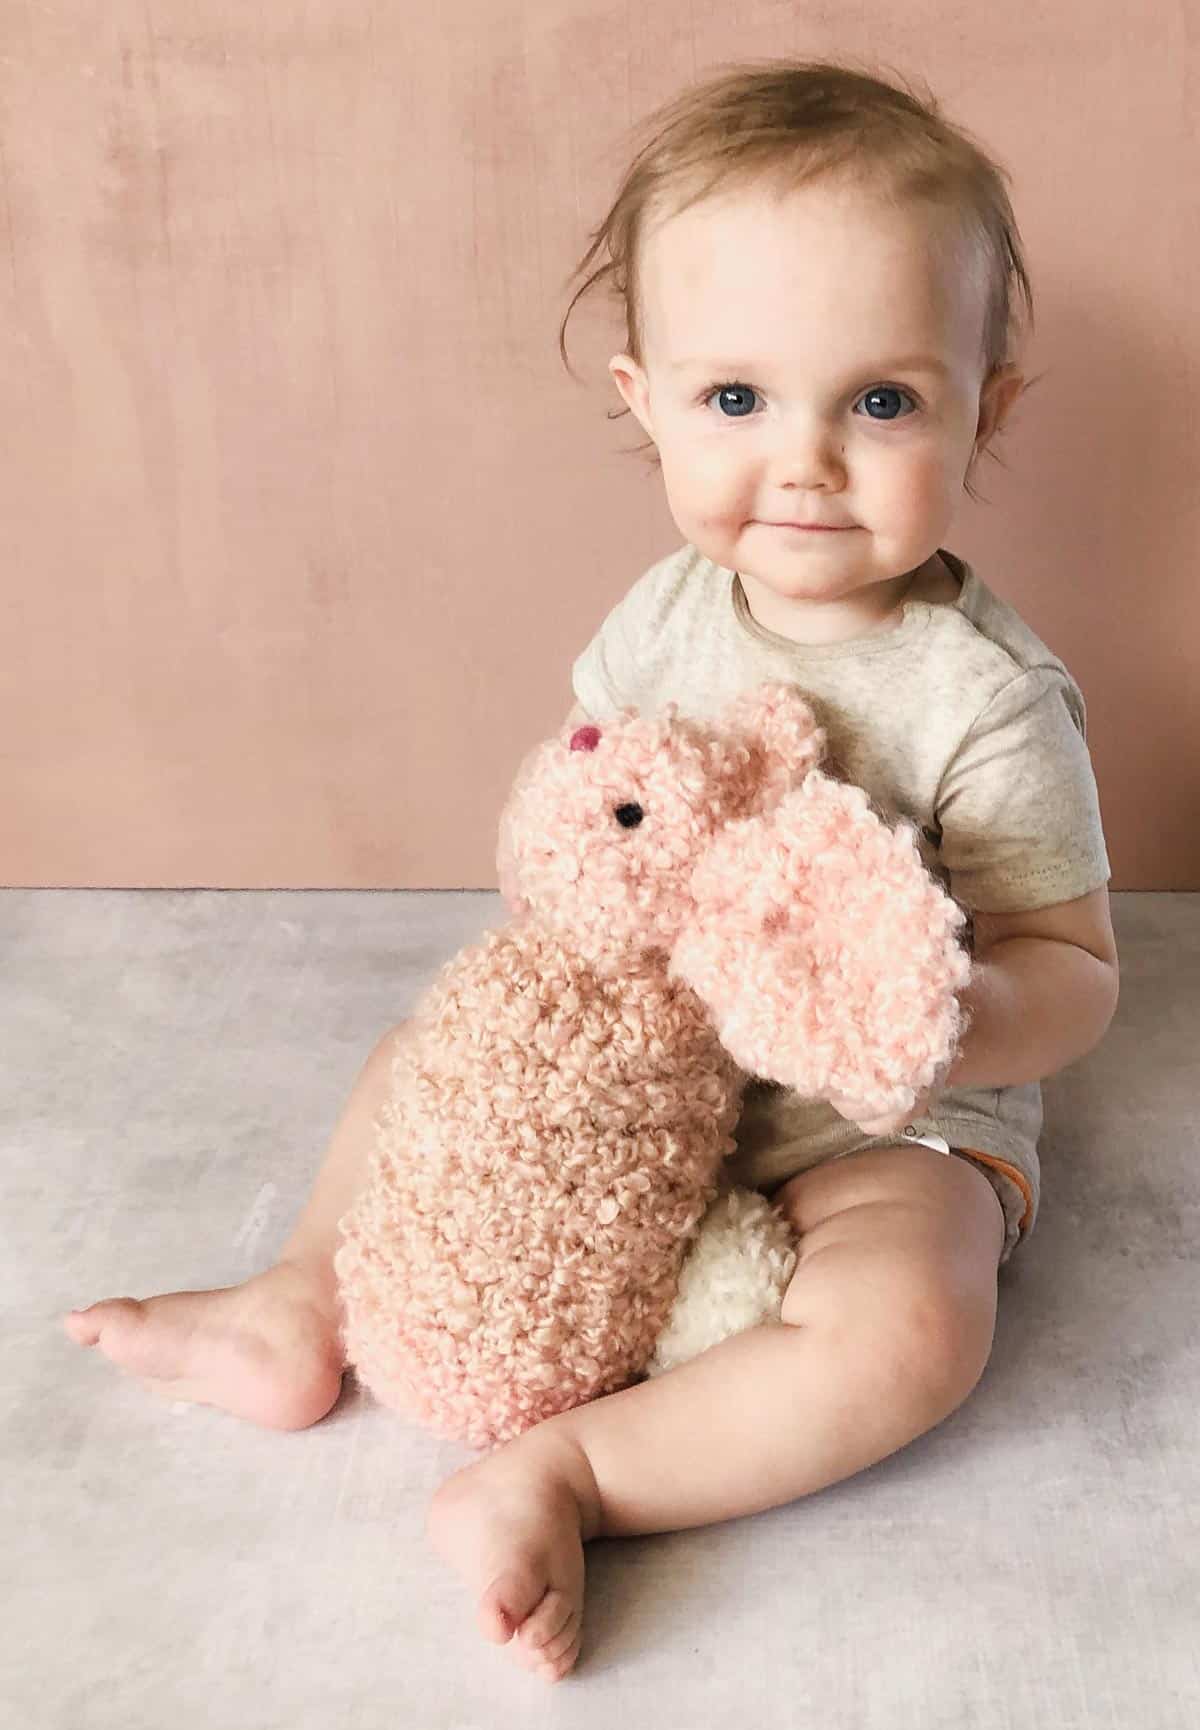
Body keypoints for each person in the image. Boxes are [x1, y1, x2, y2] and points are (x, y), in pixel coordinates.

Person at [63, 59, 1119, 1684]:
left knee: (916, 1322)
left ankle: (576, 1470)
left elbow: (1075, 965)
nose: (809, 461)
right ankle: (298, 1298)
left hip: (875, 1121)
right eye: (739, 399)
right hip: (642, 1075)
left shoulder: (985, 696)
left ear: (991, 399)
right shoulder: (661, 621)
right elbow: (587, 826)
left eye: (884, 400)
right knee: (422, 1058)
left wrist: (947, 1025)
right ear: (645, 400)